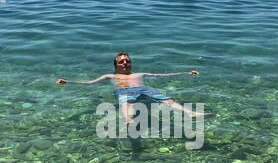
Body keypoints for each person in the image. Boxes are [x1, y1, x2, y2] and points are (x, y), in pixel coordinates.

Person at [56, 52, 210, 123]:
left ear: (130, 63)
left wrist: (186, 72)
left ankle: (190, 113)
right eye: (121, 61)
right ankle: (129, 120)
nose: (124, 63)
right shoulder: (110, 76)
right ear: (116, 64)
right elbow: (90, 82)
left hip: (144, 90)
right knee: (126, 102)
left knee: (167, 99)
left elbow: (163, 75)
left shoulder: (139, 74)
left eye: (127, 61)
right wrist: (68, 82)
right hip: (124, 91)